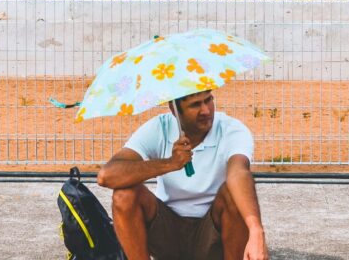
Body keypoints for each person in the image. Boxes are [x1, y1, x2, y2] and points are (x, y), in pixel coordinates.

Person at [96, 90, 268, 260]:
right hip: (168, 232)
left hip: (214, 233)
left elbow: (239, 173)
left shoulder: (231, 129)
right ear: (174, 109)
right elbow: (107, 176)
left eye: (208, 100)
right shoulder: (159, 128)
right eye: (195, 105)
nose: (206, 110)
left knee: (235, 193)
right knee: (124, 195)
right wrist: (170, 163)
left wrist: (256, 230)